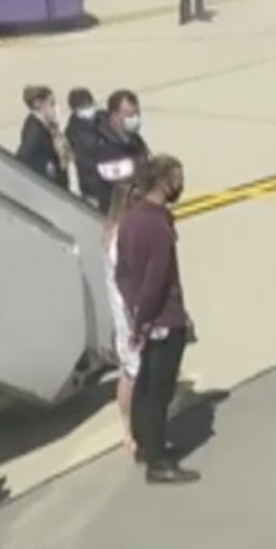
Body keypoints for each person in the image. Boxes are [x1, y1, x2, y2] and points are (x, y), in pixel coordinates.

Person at [115, 154, 200, 485]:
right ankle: (158, 463)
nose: (181, 185)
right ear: (163, 182)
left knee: (145, 386)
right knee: (159, 393)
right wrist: (146, 319)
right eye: (178, 179)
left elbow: (123, 274)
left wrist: (135, 312)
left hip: (145, 317)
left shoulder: (130, 221)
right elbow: (157, 280)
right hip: (164, 318)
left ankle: (147, 446)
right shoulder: (159, 227)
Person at [102, 179, 141, 454]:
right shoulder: (119, 237)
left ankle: (133, 423)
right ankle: (128, 427)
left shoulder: (119, 231)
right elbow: (127, 278)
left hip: (129, 312)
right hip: (128, 316)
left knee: (132, 371)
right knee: (132, 371)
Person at [91, 89, 151, 215]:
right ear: (114, 116)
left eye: (137, 114)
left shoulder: (134, 139)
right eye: (129, 115)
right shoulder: (106, 150)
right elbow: (117, 188)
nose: (134, 119)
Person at [16, 85, 72, 191]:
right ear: (38, 104)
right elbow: (24, 156)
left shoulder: (49, 126)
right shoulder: (34, 130)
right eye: (51, 104)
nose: (55, 109)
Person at [65, 87, 105, 207]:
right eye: (83, 107)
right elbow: (85, 159)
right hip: (93, 186)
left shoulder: (103, 118)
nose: (88, 109)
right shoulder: (74, 131)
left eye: (89, 104)